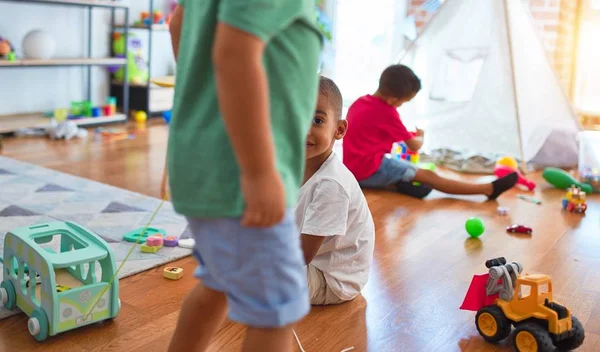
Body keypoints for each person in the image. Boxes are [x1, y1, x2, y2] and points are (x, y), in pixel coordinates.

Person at [165, 2, 322, 352]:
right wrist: (259, 172)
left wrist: (200, 100)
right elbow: (235, 52)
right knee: (276, 312)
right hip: (238, 172)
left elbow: (178, 25)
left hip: (208, 160)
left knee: (217, 284)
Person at [343, 64, 518, 200]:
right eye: (404, 101)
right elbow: (414, 147)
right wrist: (421, 136)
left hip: (351, 169)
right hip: (368, 170)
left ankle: (400, 184)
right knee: (429, 175)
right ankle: (487, 189)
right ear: (392, 99)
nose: (401, 105)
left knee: (402, 167)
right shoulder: (387, 112)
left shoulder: (361, 102)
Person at [298, 77, 375, 305]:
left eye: (316, 120)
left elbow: (301, 255)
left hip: (332, 280)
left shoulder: (331, 183)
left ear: (339, 129)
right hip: (312, 263)